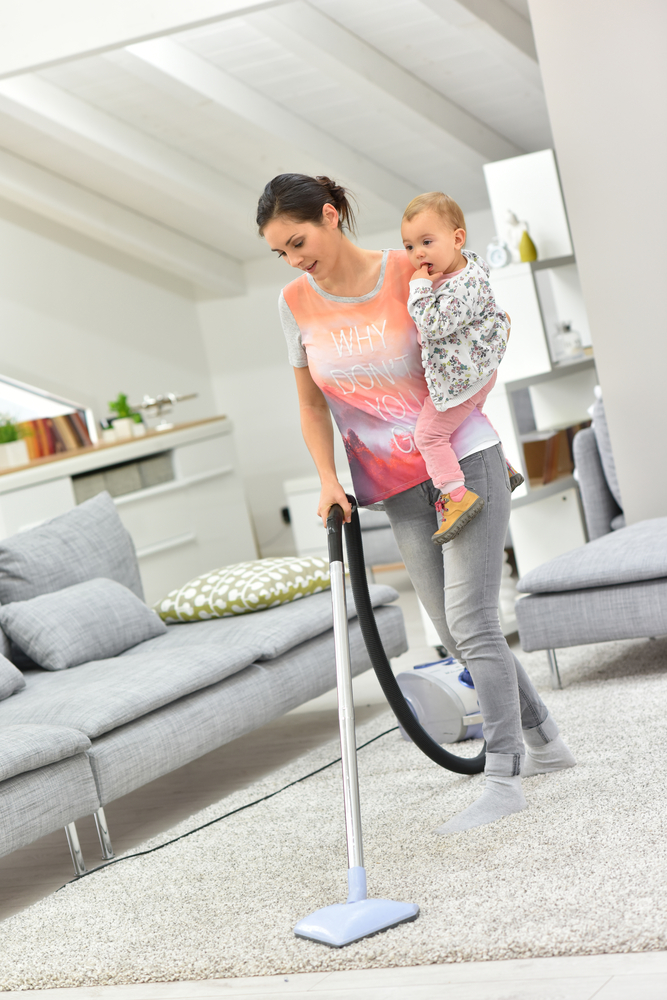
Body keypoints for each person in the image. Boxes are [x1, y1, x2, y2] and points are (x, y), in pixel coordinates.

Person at [257, 173, 575, 834]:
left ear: (328, 215)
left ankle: (502, 773)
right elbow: (310, 403)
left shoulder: (413, 263)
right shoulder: (294, 302)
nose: (293, 259)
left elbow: (487, 333)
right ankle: (546, 739)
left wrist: (468, 413)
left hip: (462, 462)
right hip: (390, 486)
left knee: (472, 618)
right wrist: (324, 477)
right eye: (279, 252)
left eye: (298, 240)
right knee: (458, 632)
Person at [402, 191, 517, 546]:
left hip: (462, 378)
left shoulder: (459, 286)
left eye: (426, 242)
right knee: (470, 420)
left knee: (429, 435)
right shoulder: (468, 267)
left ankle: (455, 495)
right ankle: (505, 469)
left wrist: (419, 289)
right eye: (409, 247)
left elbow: (433, 324)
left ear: (457, 239)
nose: (418, 254)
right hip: (477, 371)